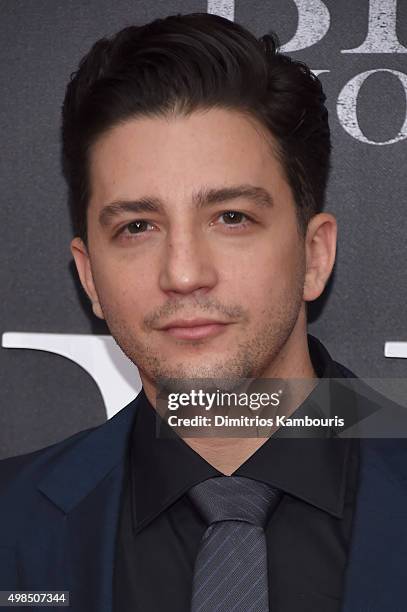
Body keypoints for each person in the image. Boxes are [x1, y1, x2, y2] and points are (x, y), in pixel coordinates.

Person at [0, 12, 405, 612]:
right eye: (137, 227)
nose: (184, 273)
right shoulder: (12, 521)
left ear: (314, 255)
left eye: (232, 217)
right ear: (89, 276)